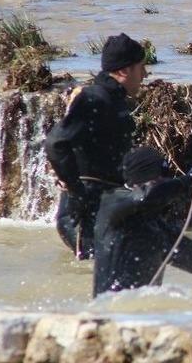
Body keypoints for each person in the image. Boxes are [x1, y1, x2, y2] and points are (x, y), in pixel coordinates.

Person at [44, 33, 148, 259]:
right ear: (123, 71)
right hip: (82, 214)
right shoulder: (93, 98)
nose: (145, 75)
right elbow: (55, 144)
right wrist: (77, 193)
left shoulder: (115, 100)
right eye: (141, 68)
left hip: (102, 206)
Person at [93, 147, 192, 297]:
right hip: (109, 311)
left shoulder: (156, 227)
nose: (166, 182)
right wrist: (186, 181)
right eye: (161, 178)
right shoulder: (111, 203)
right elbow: (149, 195)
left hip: (145, 314)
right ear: (141, 179)